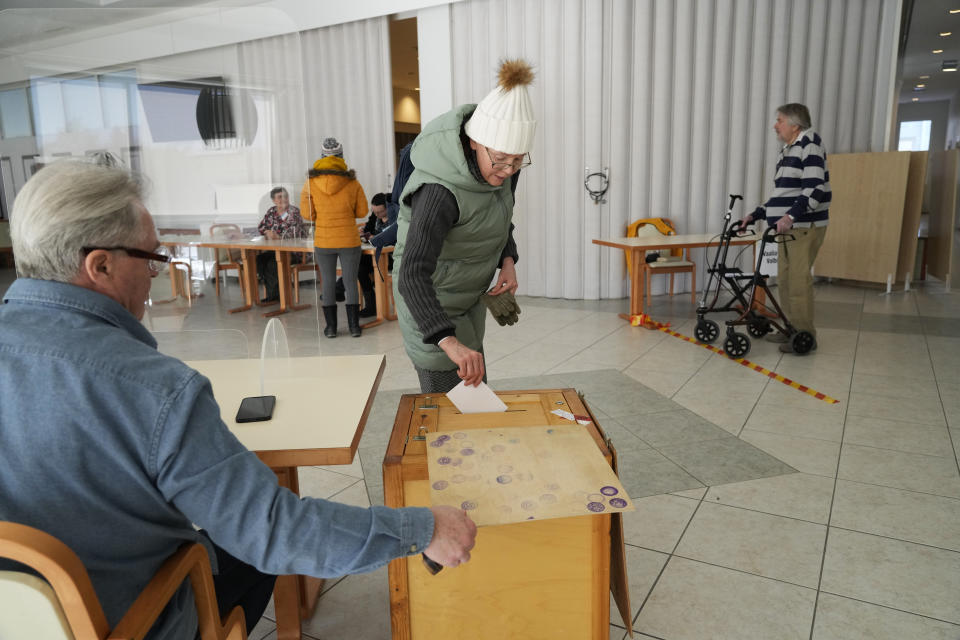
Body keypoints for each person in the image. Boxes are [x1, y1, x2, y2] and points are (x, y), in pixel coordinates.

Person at [0, 160, 477, 640]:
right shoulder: (155, 391)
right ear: (100, 265)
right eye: (151, 259)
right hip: (131, 620)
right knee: (245, 548)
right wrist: (423, 529)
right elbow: (273, 532)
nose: (153, 278)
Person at [393, 59, 534, 393]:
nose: (508, 170)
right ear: (474, 141)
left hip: (468, 302)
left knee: (474, 398)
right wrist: (447, 340)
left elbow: (500, 217)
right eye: (500, 159)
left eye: (518, 160)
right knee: (451, 414)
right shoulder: (438, 191)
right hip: (428, 310)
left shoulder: (503, 170)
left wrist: (508, 262)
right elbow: (410, 274)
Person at [741, 103, 831, 353]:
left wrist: (791, 216)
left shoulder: (809, 143)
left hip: (804, 226)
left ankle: (804, 336)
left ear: (795, 124)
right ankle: (791, 329)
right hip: (787, 227)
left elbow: (814, 187)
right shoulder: (787, 150)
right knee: (784, 280)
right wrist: (755, 214)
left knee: (799, 281)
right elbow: (781, 193)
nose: (775, 125)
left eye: (779, 120)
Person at [300, 137, 368, 338]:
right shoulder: (352, 182)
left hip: (324, 240)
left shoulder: (310, 183)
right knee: (350, 282)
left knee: (328, 282)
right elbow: (363, 211)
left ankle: (331, 328)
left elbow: (307, 214)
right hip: (348, 239)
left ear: (321, 157)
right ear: (341, 156)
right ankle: (354, 327)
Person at [256, 186, 306, 303]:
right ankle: (273, 292)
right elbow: (262, 227)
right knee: (260, 259)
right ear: (274, 200)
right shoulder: (271, 211)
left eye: (285, 196)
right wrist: (267, 232)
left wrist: (278, 236)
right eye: (279, 197)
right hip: (275, 250)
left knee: (274, 263)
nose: (283, 199)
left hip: (293, 252)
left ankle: (276, 296)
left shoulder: (294, 212)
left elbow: (296, 232)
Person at [357, 192, 392, 317]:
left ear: (388, 208)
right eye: (374, 211)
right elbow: (369, 229)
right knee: (359, 267)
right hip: (374, 256)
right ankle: (372, 306)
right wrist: (364, 231)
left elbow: (395, 238)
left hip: (390, 257)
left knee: (358, 263)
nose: (376, 214)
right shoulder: (375, 216)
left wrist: (375, 237)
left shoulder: (395, 218)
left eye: (379, 212)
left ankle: (339, 287)